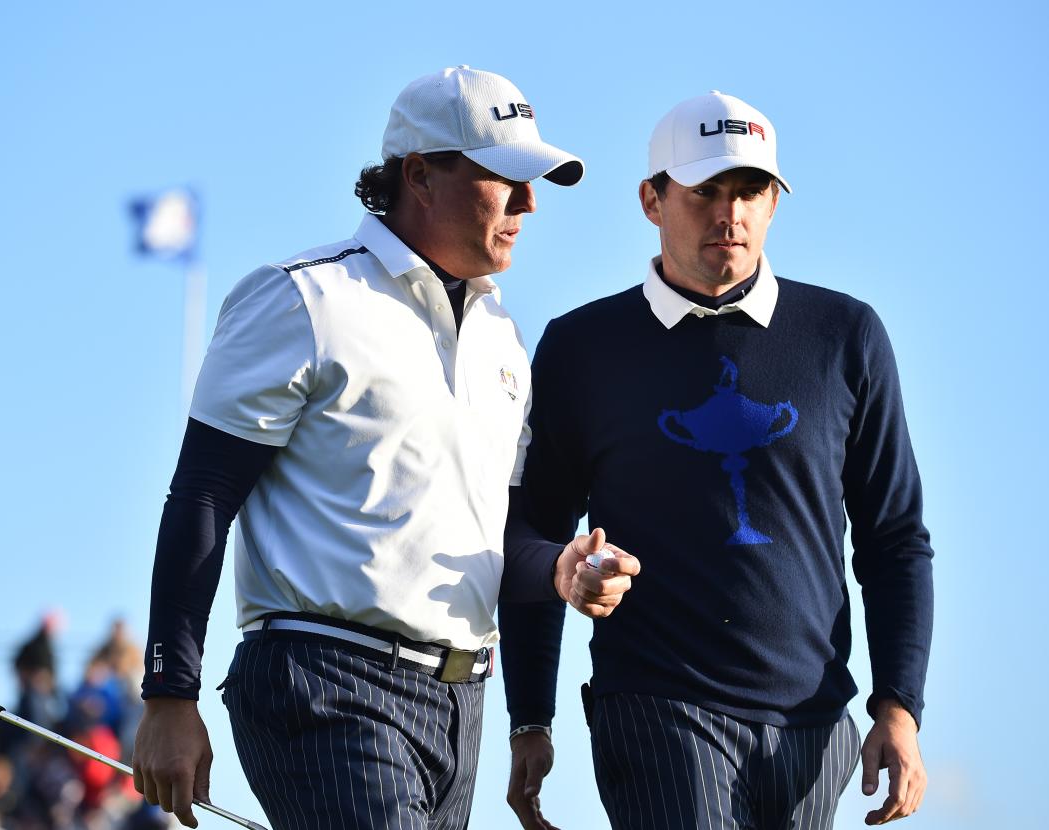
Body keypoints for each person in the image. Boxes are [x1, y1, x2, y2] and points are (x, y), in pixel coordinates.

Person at [131, 65, 610, 830]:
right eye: (505, 179)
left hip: (462, 701)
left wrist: (554, 569)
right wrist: (169, 693)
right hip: (323, 679)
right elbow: (203, 495)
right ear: (419, 175)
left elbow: (494, 543)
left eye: (534, 183)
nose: (528, 204)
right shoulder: (301, 298)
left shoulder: (503, 340)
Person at [500, 91, 934, 829]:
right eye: (703, 191)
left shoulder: (845, 335)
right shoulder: (583, 347)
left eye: (751, 191)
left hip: (815, 722)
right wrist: (530, 716)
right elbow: (536, 534)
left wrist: (898, 703)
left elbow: (894, 538)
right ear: (651, 199)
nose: (728, 214)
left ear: (774, 203)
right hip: (656, 707)